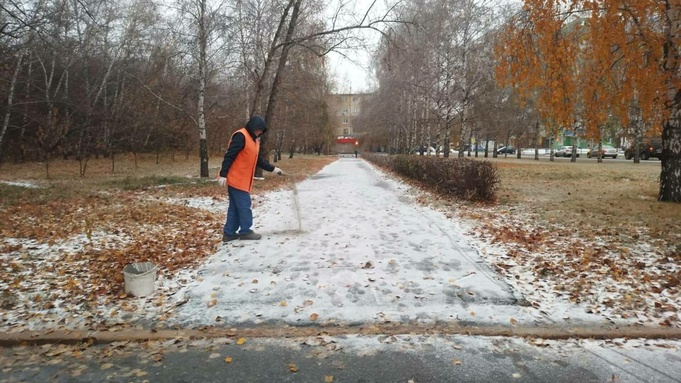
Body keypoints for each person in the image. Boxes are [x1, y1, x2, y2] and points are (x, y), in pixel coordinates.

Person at [217, 116, 284, 242]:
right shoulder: (241, 136)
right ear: (253, 127)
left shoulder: (254, 141)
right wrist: (223, 174)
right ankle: (245, 231)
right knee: (244, 205)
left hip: (242, 179)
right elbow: (229, 155)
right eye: (259, 130)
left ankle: (229, 233)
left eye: (261, 131)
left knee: (235, 207)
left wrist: (273, 169)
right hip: (236, 178)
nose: (260, 133)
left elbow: (257, 160)